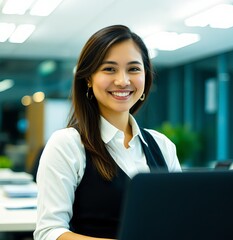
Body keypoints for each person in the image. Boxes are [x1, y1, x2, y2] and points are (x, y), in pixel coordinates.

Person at [33, 25, 181, 240]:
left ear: (146, 77)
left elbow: (178, 218)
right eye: (109, 69)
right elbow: (49, 232)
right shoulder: (67, 144)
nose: (123, 80)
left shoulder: (162, 145)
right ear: (89, 78)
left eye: (134, 69)